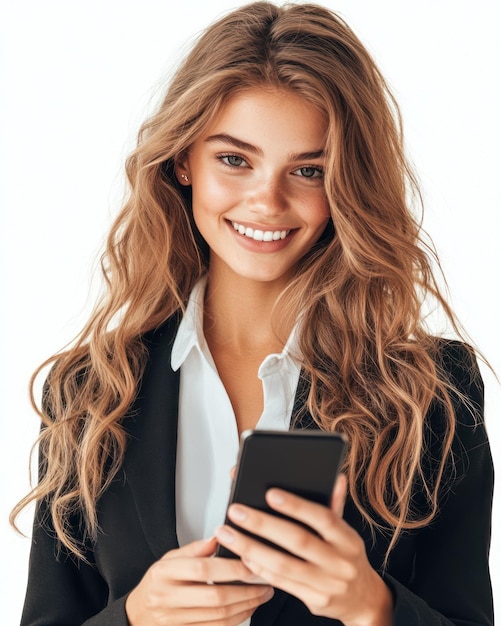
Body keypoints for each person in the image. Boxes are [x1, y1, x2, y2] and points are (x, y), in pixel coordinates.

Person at [11, 2, 494, 625]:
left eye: (309, 170)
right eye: (234, 159)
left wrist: (373, 607)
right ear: (183, 159)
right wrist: (135, 617)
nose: (267, 200)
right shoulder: (92, 390)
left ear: (346, 184)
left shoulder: (433, 392)